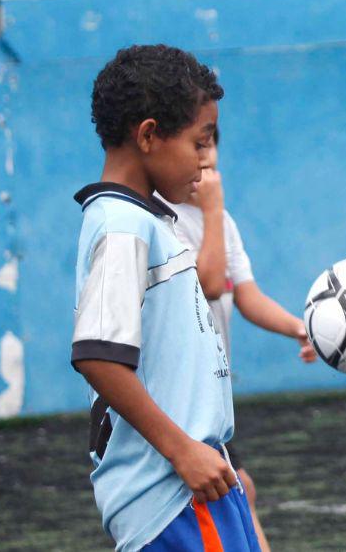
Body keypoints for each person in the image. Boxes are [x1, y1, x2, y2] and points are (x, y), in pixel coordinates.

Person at [71, 45, 260, 550]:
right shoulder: (121, 224)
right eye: (199, 143)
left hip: (201, 477)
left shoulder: (149, 221)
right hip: (172, 496)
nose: (205, 161)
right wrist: (183, 452)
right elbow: (96, 355)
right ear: (149, 135)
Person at [164, 127, 317, 551]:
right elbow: (210, 283)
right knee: (222, 494)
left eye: (209, 144)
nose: (205, 156)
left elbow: (244, 293)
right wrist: (212, 211)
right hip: (181, 397)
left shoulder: (222, 221)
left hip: (214, 395)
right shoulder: (166, 220)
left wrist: (300, 329)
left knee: (239, 489)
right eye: (195, 146)